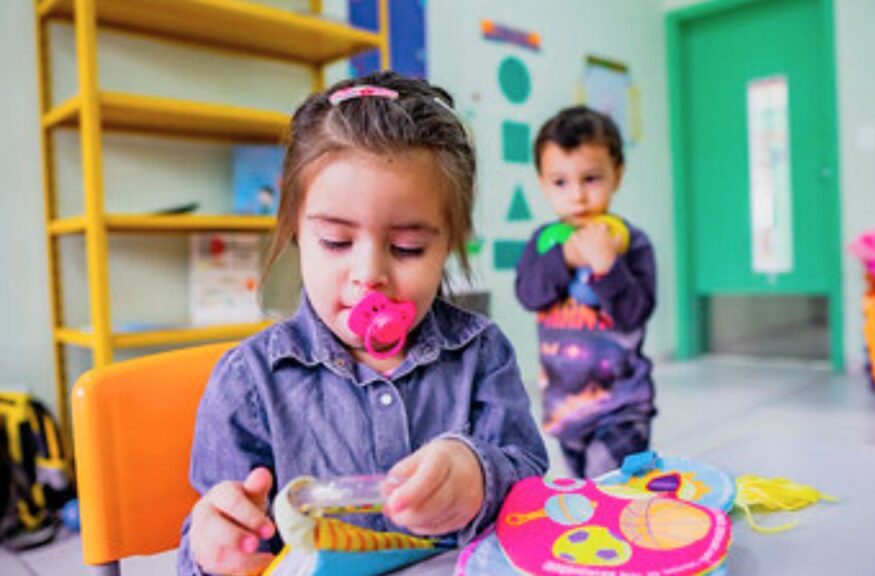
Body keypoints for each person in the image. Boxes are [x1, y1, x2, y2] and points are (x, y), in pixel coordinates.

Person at [178, 71, 548, 575]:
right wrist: (212, 548)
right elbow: (215, 531)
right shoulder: (249, 383)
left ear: (449, 244)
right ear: (295, 233)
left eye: (407, 248)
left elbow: (533, 489)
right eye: (335, 241)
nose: (370, 276)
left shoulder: (483, 354)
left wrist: (482, 477)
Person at [515, 106, 656, 479]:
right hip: (565, 406)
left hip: (622, 404)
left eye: (591, 178)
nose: (577, 196)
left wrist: (607, 266)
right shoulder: (543, 244)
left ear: (617, 175)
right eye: (560, 182)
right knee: (583, 494)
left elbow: (634, 314)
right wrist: (567, 257)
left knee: (610, 489)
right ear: (543, 182)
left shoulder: (633, 243)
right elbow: (529, 294)